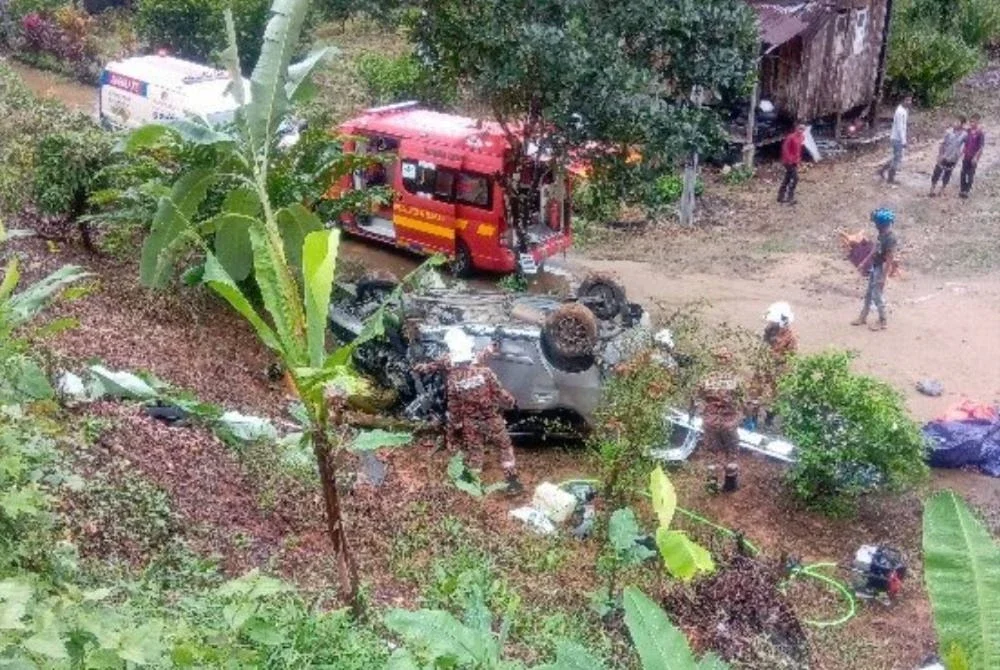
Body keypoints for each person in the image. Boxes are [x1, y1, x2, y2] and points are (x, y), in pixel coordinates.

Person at [419, 328, 522, 494]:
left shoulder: (453, 380)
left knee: (475, 454)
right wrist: (513, 404)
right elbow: (499, 393)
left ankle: (474, 487)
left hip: (471, 424)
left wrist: (453, 430)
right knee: (504, 448)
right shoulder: (485, 373)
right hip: (492, 419)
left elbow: (454, 409)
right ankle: (513, 483)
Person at [852, 208, 898, 331]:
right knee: (868, 293)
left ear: (882, 224)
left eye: (877, 223)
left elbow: (889, 258)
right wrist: (864, 262)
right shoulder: (882, 235)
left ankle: (883, 320)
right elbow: (875, 249)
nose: (875, 225)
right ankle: (863, 316)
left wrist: (884, 276)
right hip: (876, 266)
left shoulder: (890, 238)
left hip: (881, 268)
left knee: (877, 294)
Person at [696, 347, 745, 458]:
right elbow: (698, 397)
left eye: (724, 358)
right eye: (719, 358)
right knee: (711, 452)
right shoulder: (707, 378)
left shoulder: (736, 379)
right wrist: (701, 410)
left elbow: (743, 400)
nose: (721, 361)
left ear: (729, 360)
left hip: (729, 419)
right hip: (711, 418)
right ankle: (712, 469)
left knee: (732, 453)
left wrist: (738, 418)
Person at [759, 302, 797, 427]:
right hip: (766, 365)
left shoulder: (790, 337)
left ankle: (769, 419)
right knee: (756, 389)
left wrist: (776, 357)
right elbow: (764, 344)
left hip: (780, 369)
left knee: (775, 396)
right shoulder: (769, 330)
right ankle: (753, 416)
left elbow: (791, 357)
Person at [929, 117, 966, 197]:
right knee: (937, 172)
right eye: (955, 121)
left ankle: (942, 190)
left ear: (962, 124)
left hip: (953, 158)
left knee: (948, 173)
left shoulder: (964, 134)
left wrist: (960, 154)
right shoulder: (949, 132)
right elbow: (942, 144)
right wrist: (940, 155)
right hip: (944, 155)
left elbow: (966, 145)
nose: (955, 123)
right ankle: (932, 189)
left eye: (958, 122)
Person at [879, 96, 911, 184]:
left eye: (910, 100)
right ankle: (890, 178)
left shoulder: (904, 110)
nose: (909, 102)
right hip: (897, 138)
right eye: (907, 100)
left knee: (896, 157)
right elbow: (900, 128)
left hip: (897, 138)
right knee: (897, 159)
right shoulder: (900, 112)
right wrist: (903, 141)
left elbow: (903, 127)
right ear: (902, 100)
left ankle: (882, 170)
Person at [778, 124, 806, 204]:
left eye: (803, 129)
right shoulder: (791, 137)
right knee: (795, 178)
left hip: (795, 161)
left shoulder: (802, 137)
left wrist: (798, 161)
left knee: (787, 178)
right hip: (788, 161)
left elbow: (798, 150)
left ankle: (780, 196)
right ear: (796, 128)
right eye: (800, 128)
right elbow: (785, 149)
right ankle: (790, 197)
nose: (801, 130)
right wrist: (789, 159)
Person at [960, 114, 985, 199]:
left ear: (977, 122)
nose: (971, 123)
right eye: (970, 121)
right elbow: (963, 139)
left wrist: (976, 157)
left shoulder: (980, 133)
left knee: (970, 174)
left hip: (974, 158)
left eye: (973, 122)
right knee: (963, 173)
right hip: (966, 155)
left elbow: (981, 147)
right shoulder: (968, 131)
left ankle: (967, 191)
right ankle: (962, 190)